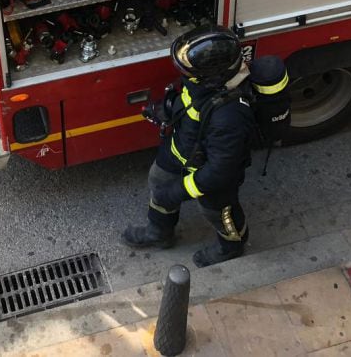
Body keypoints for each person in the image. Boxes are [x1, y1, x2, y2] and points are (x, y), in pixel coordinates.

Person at [123, 27, 289, 267]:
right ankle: (158, 232)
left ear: (210, 76)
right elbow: (192, 104)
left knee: (219, 212)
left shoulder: (230, 116)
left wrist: (180, 190)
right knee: (159, 182)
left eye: (186, 70)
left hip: (210, 175)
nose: (182, 73)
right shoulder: (203, 83)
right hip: (181, 150)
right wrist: (166, 109)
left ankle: (231, 246)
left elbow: (220, 171)